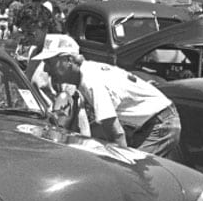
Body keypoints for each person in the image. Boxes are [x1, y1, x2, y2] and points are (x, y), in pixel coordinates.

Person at [33, 34, 182, 159]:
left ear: (69, 60)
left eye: (49, 62)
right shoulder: (87, 73)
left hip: (160, 123)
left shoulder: (91, 81)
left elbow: (116, 132)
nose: (45, 69)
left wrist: (120, 165)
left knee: (133, 175)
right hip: (151, 122)